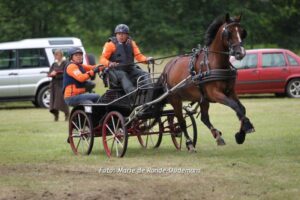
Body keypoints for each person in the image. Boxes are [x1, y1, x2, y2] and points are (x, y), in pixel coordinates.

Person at [99, 24, 153, 94]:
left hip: (130, 69)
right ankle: (133, 93)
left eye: (123, 34)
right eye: (119, 34)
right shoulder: (110, 44)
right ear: (116, 35)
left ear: (127, 35)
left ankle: (150, 91)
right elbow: (102, 59)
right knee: (123, 75)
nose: (121, 36)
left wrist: (147, 60)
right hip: (115, 71)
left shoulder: (132, 43)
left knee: (144, 74)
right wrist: (109, 63)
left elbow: (139, 56)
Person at [48, 49, 70, 121]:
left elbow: (67, 72)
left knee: (62, 100)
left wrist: (58, 73)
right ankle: (56, 115)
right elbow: (49, 72)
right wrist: (52, 73)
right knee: (54, 101)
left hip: (62, 84)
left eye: (56, 54)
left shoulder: (65, 62)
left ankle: (67, 114)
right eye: (55, 54)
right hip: (54, 84)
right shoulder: (54, 64)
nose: (55, 56)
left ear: (61, 55)